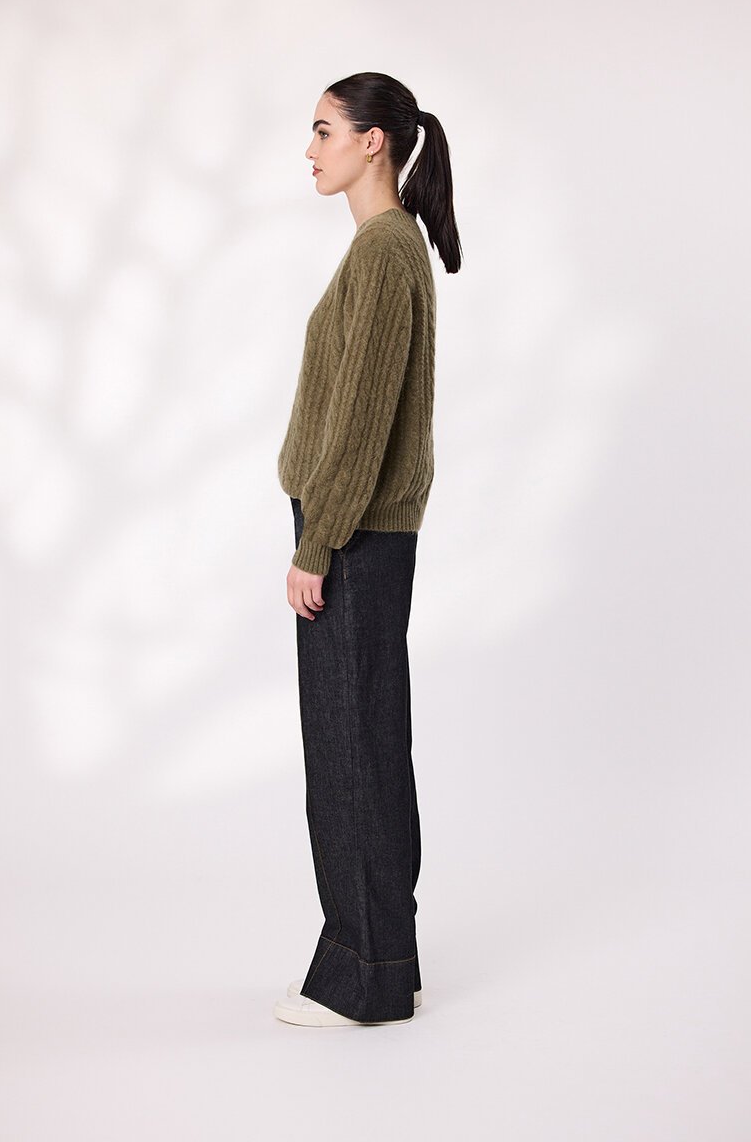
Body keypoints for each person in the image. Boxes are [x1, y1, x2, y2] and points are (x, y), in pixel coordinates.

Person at [273, 71, 462, 1027]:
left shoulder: (385, 251)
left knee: (350, 750)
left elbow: (360, 420)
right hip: (364, 531)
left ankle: (360, 976)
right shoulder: (388, 246)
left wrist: (317, 543)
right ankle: (388, 961)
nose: (310, 150)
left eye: (323, 131)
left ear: (372, 141)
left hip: (350, 533)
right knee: (370, 741)